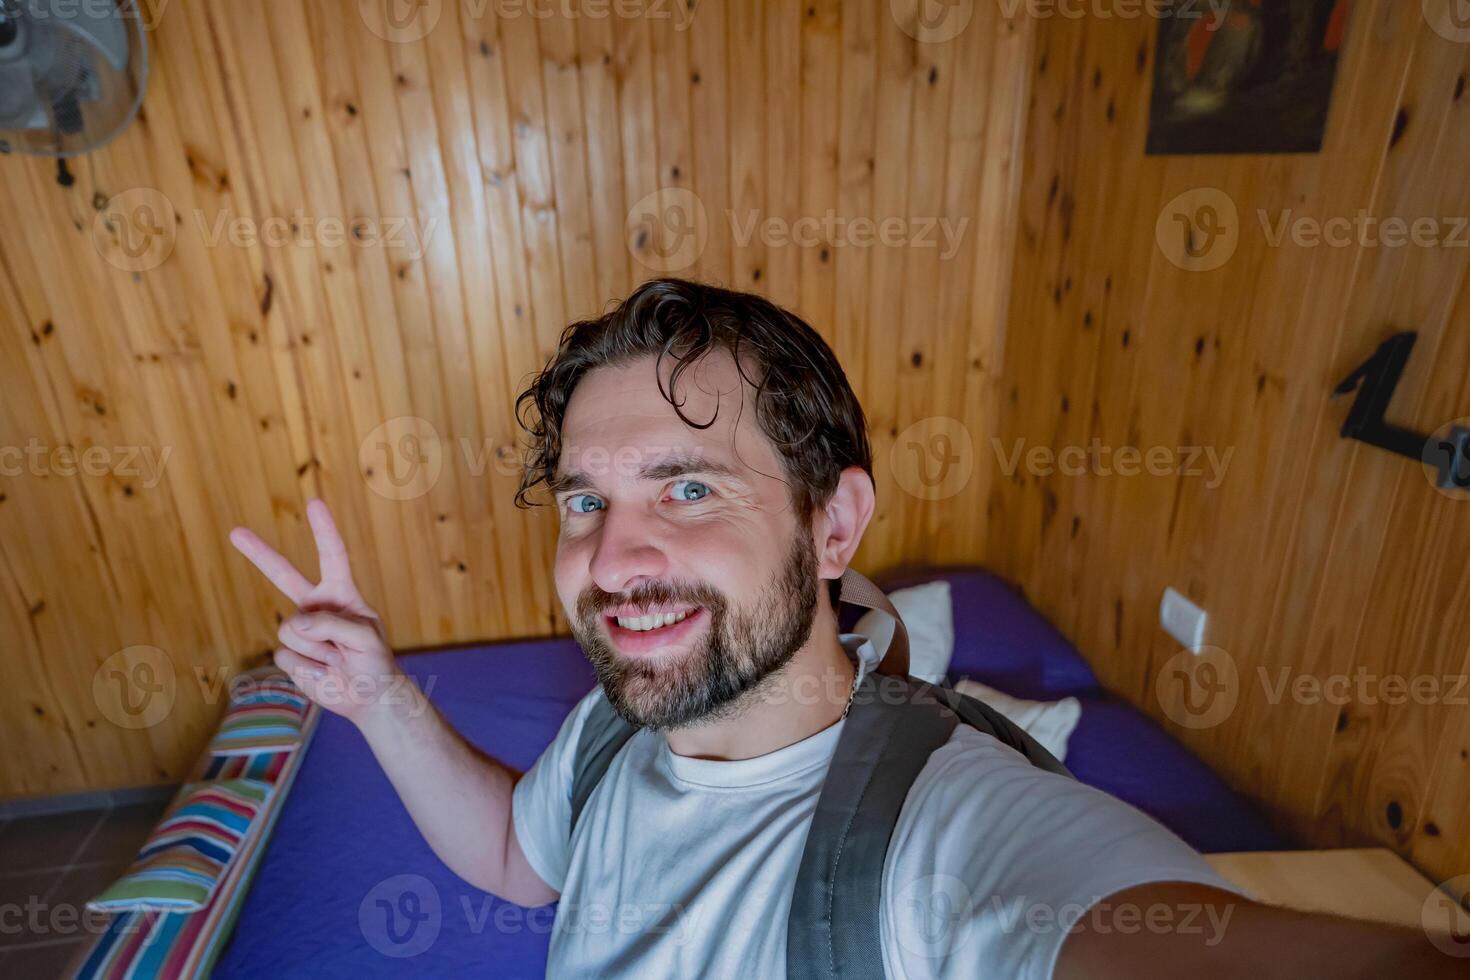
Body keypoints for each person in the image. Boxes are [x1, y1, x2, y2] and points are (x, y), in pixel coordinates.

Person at [229, 279, 1460, 978]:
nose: (611, 557)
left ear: (835, 524)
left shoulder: (945, 830)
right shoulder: (616, 725)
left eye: (690, 486)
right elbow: (515, 854)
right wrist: (378, 694)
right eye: (587, 501)